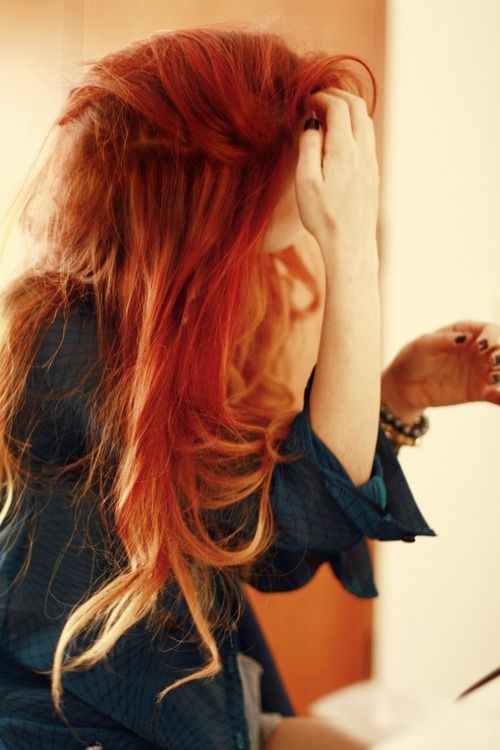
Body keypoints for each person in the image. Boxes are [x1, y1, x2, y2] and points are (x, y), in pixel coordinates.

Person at [0, 24, 499, 750]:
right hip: (77, 722)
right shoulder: (65, 349)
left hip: (174, 702)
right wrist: (350, 247)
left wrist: (396, 397)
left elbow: (265, 545)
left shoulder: (145, 326)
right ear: (206, 189)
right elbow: (284, 516)